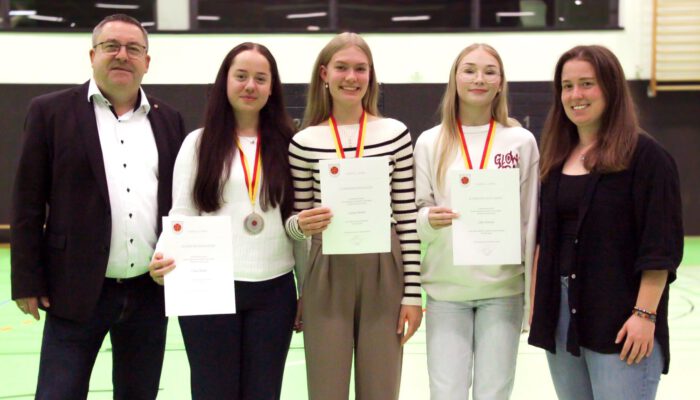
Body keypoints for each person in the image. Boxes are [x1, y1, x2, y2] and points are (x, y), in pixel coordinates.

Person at [10, 14, 185, 400]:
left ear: (147, 61)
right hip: (73, 289)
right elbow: (27, 202)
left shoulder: (169, 120)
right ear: (93, 55)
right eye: (112, 47)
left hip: (148, 293)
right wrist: (26, 278)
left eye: (134, 49)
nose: (122, 56)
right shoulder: (50, 112)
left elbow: (179, 205)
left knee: (139, 393)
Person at [528, 45, 683, 400]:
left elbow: (660, 247)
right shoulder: (555, 157)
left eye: (587, 84)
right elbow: (545, 238)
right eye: (567, 86)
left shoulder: (647, 157)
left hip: (622, 316)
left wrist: (645, 315)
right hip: (562, 318)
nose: (575, 95)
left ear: (611, 88)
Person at [148, 42, 301, 400]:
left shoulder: (289, 145)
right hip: (208, 289)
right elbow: (181, 212)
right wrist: (163, 254)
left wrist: (305, 288)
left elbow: (298, 227)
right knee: (212, 390)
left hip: (274, 291)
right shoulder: (198, 144)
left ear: (271, 88)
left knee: (263, 392)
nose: (250, 86)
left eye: (260, 78)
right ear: (224, 83)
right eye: (241, 76)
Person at [285, 32, 422, 400]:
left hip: (384, 268)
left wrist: (412, 294)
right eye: (342, 68)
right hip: (325, 270)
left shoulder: (395, 134)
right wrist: (301, 287)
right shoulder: (304, 141)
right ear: (324, 75)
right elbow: (296, 223)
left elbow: (407, 216)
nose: (351, 77)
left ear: (370, 75)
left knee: (381, 386)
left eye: (360, 69)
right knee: (325, 387)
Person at [414, 43, 539, 400]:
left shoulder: (520, 142)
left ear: (501, 83)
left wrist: (530, 301)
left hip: (502, 292)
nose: (479, 79)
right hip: (446, 291)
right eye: (469, 70)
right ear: (455, 79)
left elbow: (531, 221)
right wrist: (429, 220)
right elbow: (414, 214)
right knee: (446, 392)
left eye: (489, 71)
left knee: (494, 393)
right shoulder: (429, 142)